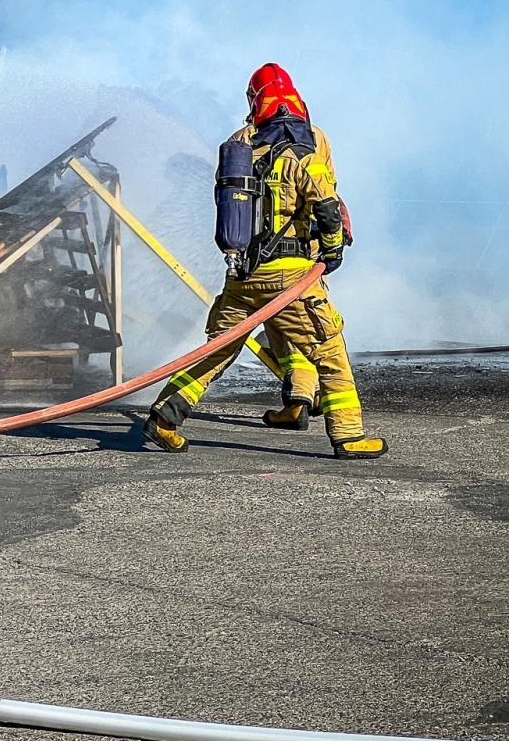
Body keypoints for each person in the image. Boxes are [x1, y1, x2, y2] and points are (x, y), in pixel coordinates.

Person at [145, 64, 386, 460]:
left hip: (242, 275)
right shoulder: (308, 152)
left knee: (218, 349)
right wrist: (332, 252)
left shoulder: (239, 146)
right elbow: (327, 207)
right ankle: (349, 436)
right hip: (291, 277)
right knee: (329, 349)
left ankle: (165, 419)